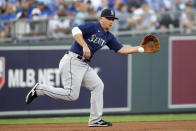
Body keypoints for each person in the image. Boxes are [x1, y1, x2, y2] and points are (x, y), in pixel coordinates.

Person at [25, 8, 145, 127]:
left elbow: (122, 49)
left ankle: (95, 120)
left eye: (113, 19)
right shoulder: (93, 26)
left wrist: (140, 49)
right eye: (109, 18)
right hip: (72, 60)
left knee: (98, 85)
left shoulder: (109, 36)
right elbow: (75, 30)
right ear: (101, 19)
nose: (111, 21)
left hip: (83, 64)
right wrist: (84, 46)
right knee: (71, 95)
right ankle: (40, 89)